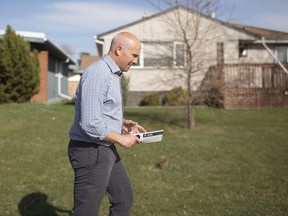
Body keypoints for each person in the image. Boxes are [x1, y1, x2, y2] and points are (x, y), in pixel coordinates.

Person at [68, 32, 146, 216]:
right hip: (90, 151)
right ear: (119, 50)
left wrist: (121, 123)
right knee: (85, 212)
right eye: (134, 55)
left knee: (123, 199)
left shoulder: (112, 74)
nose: (135, 61)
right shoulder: (98, 74)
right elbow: (90, 123)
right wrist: (121, 139)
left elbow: (100, 111)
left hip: (104, 148)